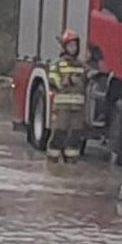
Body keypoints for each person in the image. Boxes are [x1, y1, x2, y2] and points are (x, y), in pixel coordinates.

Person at [46, 29, 87, 163]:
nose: (73, 48)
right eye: (70, 46)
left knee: (75, 136)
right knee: (59, 133)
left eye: (75, 46)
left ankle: (71, 165)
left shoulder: (82, 65)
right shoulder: (57, 64)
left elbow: (88, 77)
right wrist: (67, 80)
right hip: (62, 107)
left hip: (77, 110)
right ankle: (52, 164)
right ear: (64, 47)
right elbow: (53, 80)